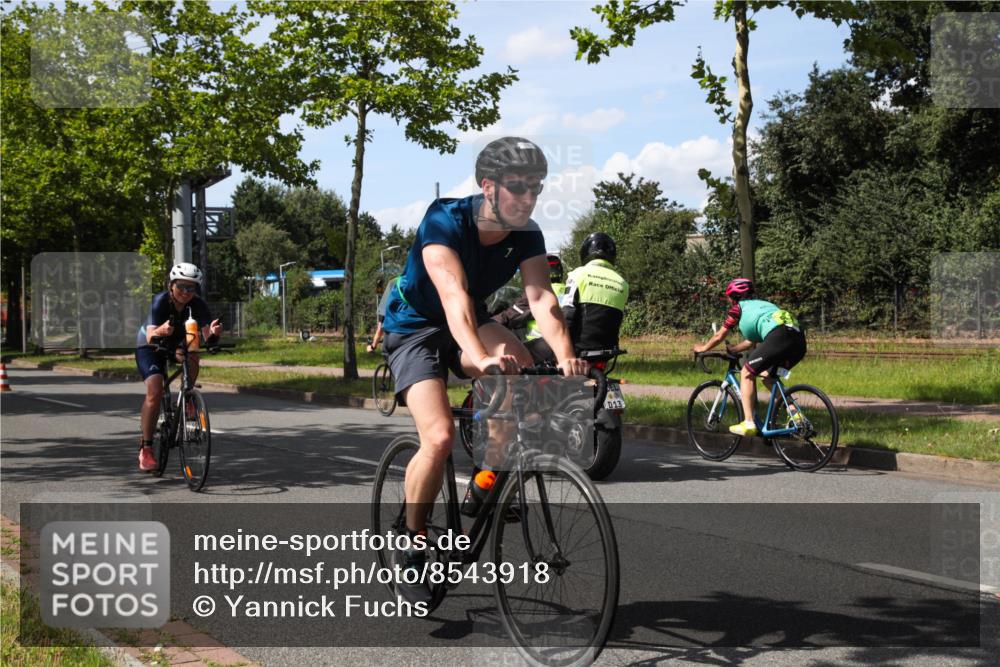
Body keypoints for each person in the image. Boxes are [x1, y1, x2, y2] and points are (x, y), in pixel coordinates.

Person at [381, 137, 587, 603]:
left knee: (529, 375)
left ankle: (488, 475)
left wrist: (569, 356)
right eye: (518, 187)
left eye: (536, 187)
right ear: (488, 186)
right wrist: (481, 356)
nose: (528, 197)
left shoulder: (527, 232)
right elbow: (452, 296)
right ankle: (411, 545)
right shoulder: (444, 219)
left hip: (471, 318)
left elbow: (540, 298)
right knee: (436, 439)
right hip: (416, 326)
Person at [134, 263, 222, 471]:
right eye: (182, 286)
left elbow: (208, 336)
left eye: (191, 288)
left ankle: (188, 397)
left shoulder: (198, 305)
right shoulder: (160, 302)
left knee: (193, 355)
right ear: (171, 285)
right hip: (150, 346)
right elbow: (150, 336)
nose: (186, 292)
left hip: (178, 345)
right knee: (155, 391)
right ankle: (146, 449)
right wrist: (162, 331)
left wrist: (215, 333)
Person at [692, 278, 807, 436]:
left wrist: (703, 348)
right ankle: (796, 416)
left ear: (733, 297)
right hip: (798, 340)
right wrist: (734, 349)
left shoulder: (738, 309)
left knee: (747, 372)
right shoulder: (765, 305)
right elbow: (752, 341)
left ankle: (748, 422)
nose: (730, 302)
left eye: (729, 298)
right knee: (768, 377)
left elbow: (719, 335)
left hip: (778, 337)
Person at [514, 233, 629, 364]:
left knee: (521, 352)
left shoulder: (578, 275)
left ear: (586, 253)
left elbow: (568, 313)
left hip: (575, 346)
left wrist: (560, 344)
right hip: (608, 349)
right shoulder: (623, 283)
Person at [490, 254, 566, 362]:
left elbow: (512, 315)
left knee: (508, 359)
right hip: (563, 344)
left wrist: (488, 323)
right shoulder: (567, 290)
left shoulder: (537, 293)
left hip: (541, 345)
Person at [366, 276, 398, 354]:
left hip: (396, 339)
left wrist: (373, 346)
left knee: (386, 353)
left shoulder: (385, 302)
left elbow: (380, 329)